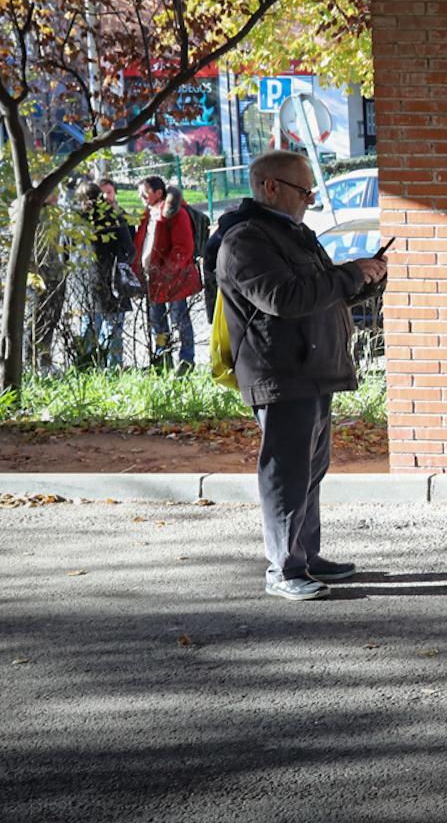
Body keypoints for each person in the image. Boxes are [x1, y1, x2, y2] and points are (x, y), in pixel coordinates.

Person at [215, 150, 388, 601]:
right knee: (286, 471)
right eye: (304, 190)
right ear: (271, 187)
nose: (310, 200)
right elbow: (283, 298)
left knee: (311, 468)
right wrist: (348, 276)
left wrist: (362, 279)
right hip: (281, 370)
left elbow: (319, 293)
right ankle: (284, 568)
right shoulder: (245, 240)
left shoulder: (293, 233)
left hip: (311, 366)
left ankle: (304, 556)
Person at [136, 176, 201, 368]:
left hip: (172, 278)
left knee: (179, 320)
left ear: (158, 192)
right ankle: (162, 360)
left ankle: (186, 360)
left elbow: (183, 247)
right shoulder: (147, 214)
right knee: (158, 324)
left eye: (145, 191)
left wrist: (166, 272)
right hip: (152, 278)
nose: (141, 196)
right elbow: (141, 244)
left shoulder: (175, 214)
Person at [77, 181, 135, 367]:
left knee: (89, 328)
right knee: (114, 329)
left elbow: (66, 253)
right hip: (112, 279)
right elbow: (129, 249)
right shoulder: (115, 216)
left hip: (85, 282)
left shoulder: (77, 220)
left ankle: (88, 367)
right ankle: (114, 368)